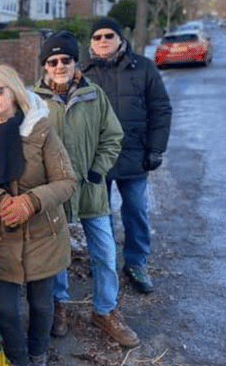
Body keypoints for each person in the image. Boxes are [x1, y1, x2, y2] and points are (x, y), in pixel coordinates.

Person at [0, 65, 76, 366]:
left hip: (43, 233)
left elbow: (66, 181)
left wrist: (31, 202)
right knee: (7, 308)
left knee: (41, 305)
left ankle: (38, 354)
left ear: (14, 92)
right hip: (0, 233)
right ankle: (19, 359)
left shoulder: (40, 129)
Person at [34, 31, 139, 348]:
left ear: (75, 61)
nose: (59, 65)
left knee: (105, 254)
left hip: (92, 189)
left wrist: (98, 170)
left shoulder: (94, 96)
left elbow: (113, 136)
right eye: (52, 61)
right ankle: (58, 305)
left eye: (65, 59)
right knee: (56, 254)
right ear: (45, 66)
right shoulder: (33, 102)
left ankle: (105, 310)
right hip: (54, 193)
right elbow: (25, 146)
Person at [81, 17, 172, 294]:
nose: (103, 41)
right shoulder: (82, 73)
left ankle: (136, 262)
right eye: (97, 37)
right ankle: (104, 261)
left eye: (109, 35)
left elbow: (161, 109)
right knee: (99, 214)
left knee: (135, 211)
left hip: (135, 154)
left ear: (121, 39)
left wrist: (156, 148)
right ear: (91, 43)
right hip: (97, 160)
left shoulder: (142, 68)